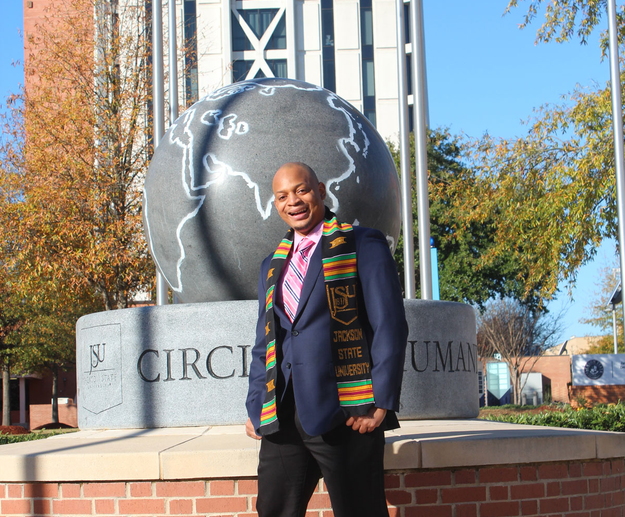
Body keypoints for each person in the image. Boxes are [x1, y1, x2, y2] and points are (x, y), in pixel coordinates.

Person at [245, 162, 408, 517]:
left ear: (320, 190)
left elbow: (390, 326)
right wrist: (256, 401)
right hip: (282, 414)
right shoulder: (270, 266)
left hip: (346, 412)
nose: (294, 201)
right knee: (272, 511)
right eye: (283, 196)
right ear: (276, 204)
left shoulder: (362, 244)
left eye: (301, 190)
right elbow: (265, 341)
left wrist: (382, 400)